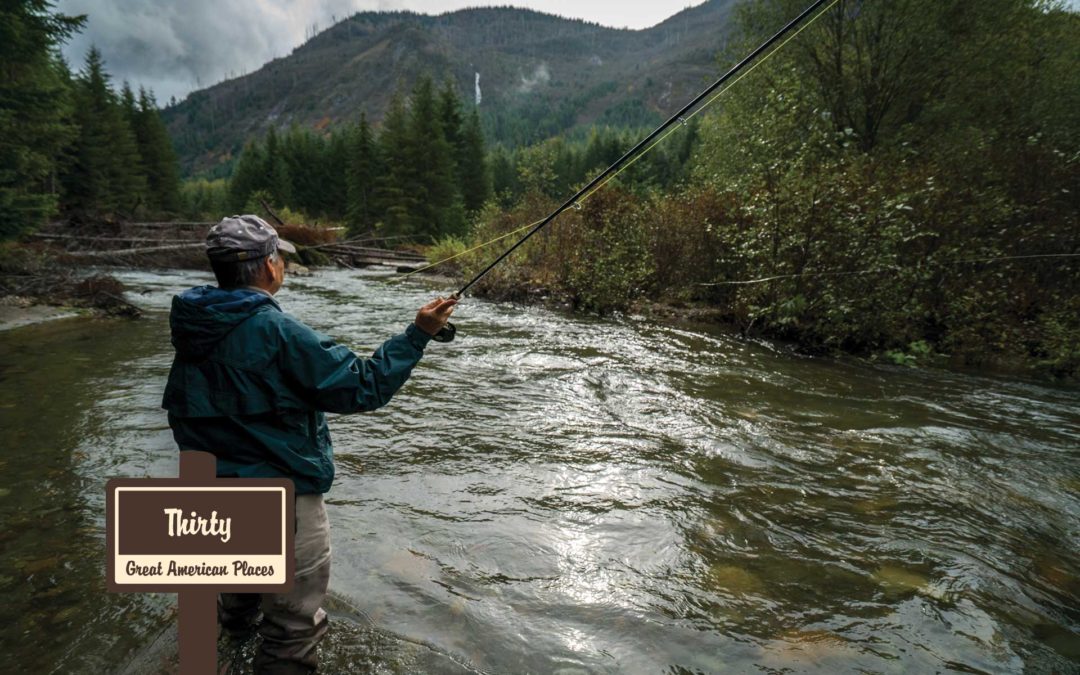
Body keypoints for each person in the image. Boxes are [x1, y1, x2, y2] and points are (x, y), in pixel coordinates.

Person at [161, 214, 456, 673]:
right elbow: (363, 387)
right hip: (280, 499)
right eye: (279, 257)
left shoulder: (192, 324)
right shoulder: (279, 333)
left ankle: (226, 655)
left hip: (211, 494)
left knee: (236, 602)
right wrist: (418, 335)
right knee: (291, 634)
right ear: (269, 265)